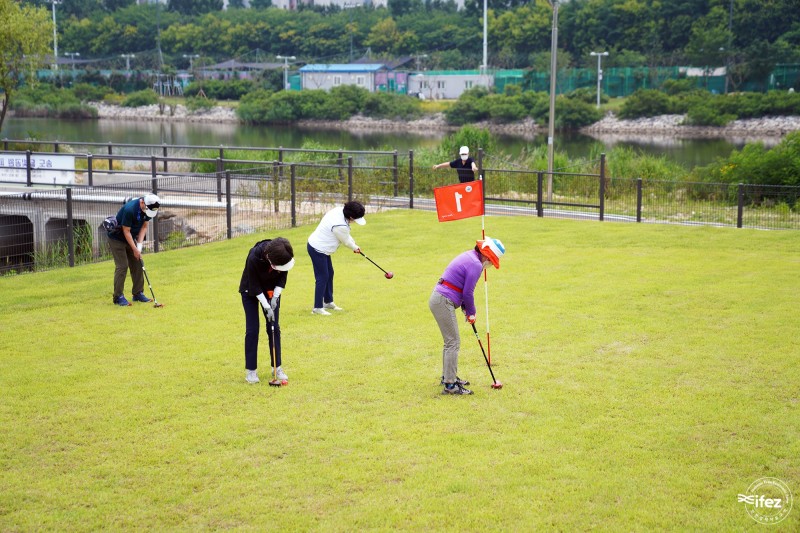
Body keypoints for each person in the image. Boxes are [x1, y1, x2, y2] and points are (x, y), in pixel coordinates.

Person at [429, 237, 506, 395]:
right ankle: (450, 386)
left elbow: (461, 288)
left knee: (450, 342)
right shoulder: (476, 264)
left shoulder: (471, 256)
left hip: (440, 299)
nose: (491, 265)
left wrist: (465, 308)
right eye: (492, 261)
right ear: (486, 256)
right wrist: (471, 313)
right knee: (453, 342)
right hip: (443, 301)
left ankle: (448, 377)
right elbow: (468, 292)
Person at [239, 237, 295, 384]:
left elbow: (282, 277)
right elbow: (254, 285)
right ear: (270, 260)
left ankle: (277, 367)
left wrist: (275, 297)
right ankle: (251, 371)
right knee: (252, 330)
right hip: (250, 290)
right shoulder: (254, 257)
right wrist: (266, 305)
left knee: (274, 328)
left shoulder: (283, 254)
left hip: (271, 291)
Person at [306, 201, 366, 316]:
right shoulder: (339, 226)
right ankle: (317, 307)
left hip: (322, 248)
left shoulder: (339, 210)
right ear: (351, 217)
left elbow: (347, 236)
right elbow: (346, 241)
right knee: (322, 277)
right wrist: (355, 247)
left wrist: (355, 245)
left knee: (330, 273)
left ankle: (328, 302)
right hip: (317, 248)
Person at [107, 194, 160, 306]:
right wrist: (135, 249)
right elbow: (126, 231)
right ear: (142, 203)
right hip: (117, 238)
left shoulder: (149, 208)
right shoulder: (130, 209)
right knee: (122, 266)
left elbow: (144, 227)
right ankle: (118, 297)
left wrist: (138, 249)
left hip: (130, 237)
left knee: (138, 262)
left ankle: (138, 293)